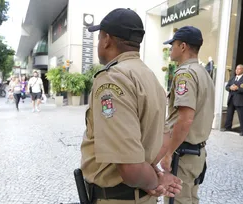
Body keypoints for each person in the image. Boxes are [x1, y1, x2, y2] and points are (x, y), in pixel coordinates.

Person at [80, 8, 182, 204]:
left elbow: (131, 169)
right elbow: (165, 136)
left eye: (99, 38)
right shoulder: (150, 77)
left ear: (106, 39)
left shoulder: (114, 79)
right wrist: (154, 175)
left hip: (117, 198)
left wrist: (155, 181)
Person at [159, 26, 215, 204]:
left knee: (176, 200)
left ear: (182, 46)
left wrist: (168, 153)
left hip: (182, 156)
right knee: (190, 199)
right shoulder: (203, 73)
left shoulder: (185, 74)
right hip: (196, 153)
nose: (171, 49)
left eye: (173, 45)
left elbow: (185, 119)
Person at [223, 64, 243, 136]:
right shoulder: (233, 78)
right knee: (229, 114)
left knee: (241, 116)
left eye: (239, 69)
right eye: (236, 69)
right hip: (231, 99)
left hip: (240, 100)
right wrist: (230, 88)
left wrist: (238, 89)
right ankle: (227, 127)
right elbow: (227, 86)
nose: (237, 70)